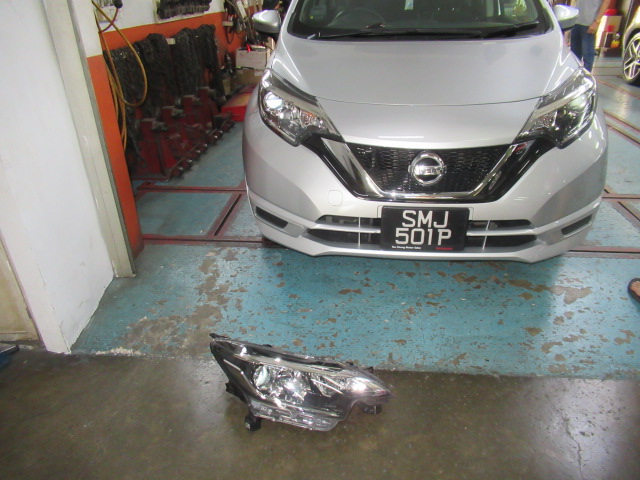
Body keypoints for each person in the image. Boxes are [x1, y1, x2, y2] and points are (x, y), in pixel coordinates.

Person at [570, 0, 613, 71]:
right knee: (574, 57)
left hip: (589, 23)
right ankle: (574, 75)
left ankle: (586, 76)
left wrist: (597, 21)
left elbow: (606, 1)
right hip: (575, 20)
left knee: (587, 55)